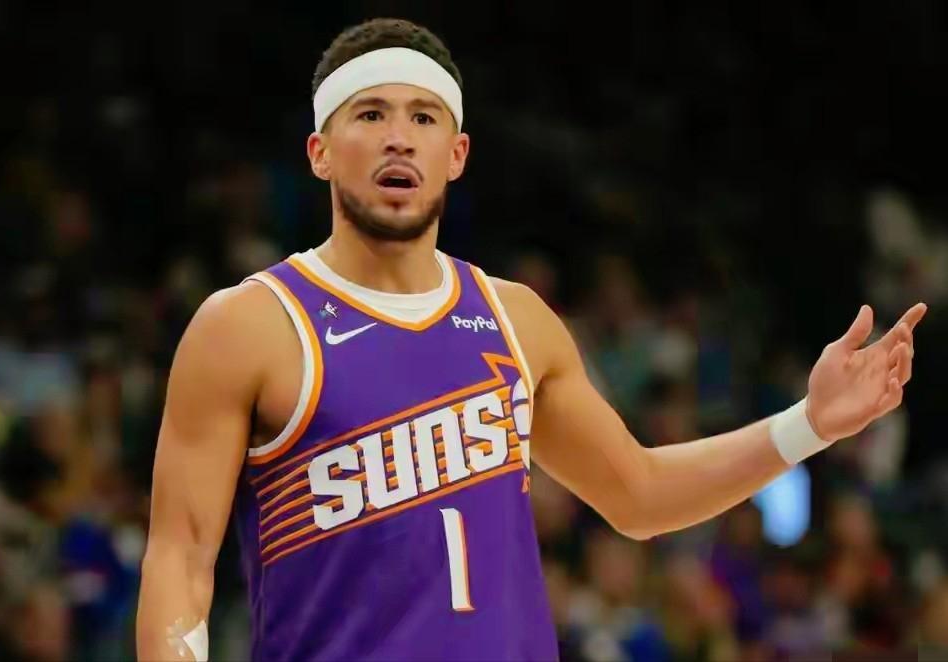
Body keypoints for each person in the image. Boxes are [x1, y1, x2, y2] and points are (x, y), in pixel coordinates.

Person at [135, 17, 926, 662]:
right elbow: (181, 560)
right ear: (319, 152)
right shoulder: (248, 324)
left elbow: (640, 497)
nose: (398, 138)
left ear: (456, 154)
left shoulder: (516, 318)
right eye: (370, 115)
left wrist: (809, 425)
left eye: (423, 117)